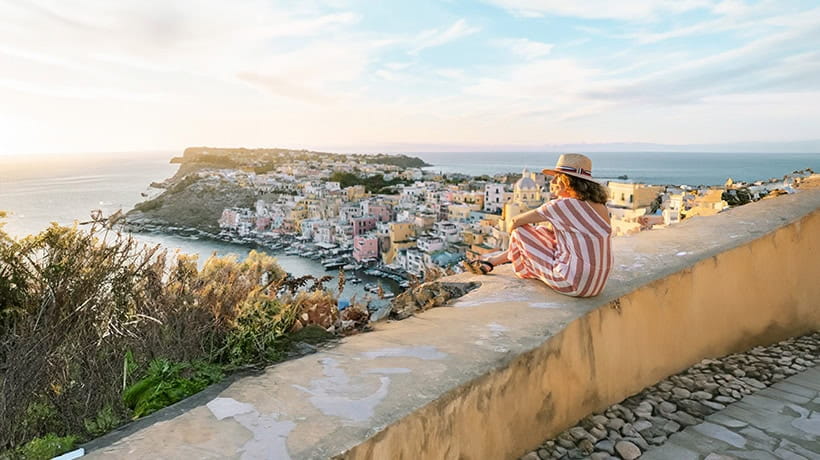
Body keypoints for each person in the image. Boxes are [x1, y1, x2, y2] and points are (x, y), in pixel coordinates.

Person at [465, 154, 613, 298]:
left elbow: (515, 222)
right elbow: (552, 233)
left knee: (520, 231)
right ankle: (493, 261)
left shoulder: (563, 205)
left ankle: (495, 262)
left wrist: (518, 243)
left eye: (557, 177)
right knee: (545, 231)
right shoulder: (601, 206)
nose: (553, 181)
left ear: (567, 181)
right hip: (597, 284)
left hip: (573, 283)